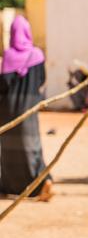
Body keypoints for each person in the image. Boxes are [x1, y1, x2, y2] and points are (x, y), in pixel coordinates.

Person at [0, 15, 53, 200]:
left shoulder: (7, 56)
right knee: (32, 146)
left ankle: (11, 186)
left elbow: (3, 85)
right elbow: (41, 80)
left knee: (8, 149)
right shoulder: (37, 55)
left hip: (8, 110)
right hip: (29, 108)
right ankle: (38, 184)